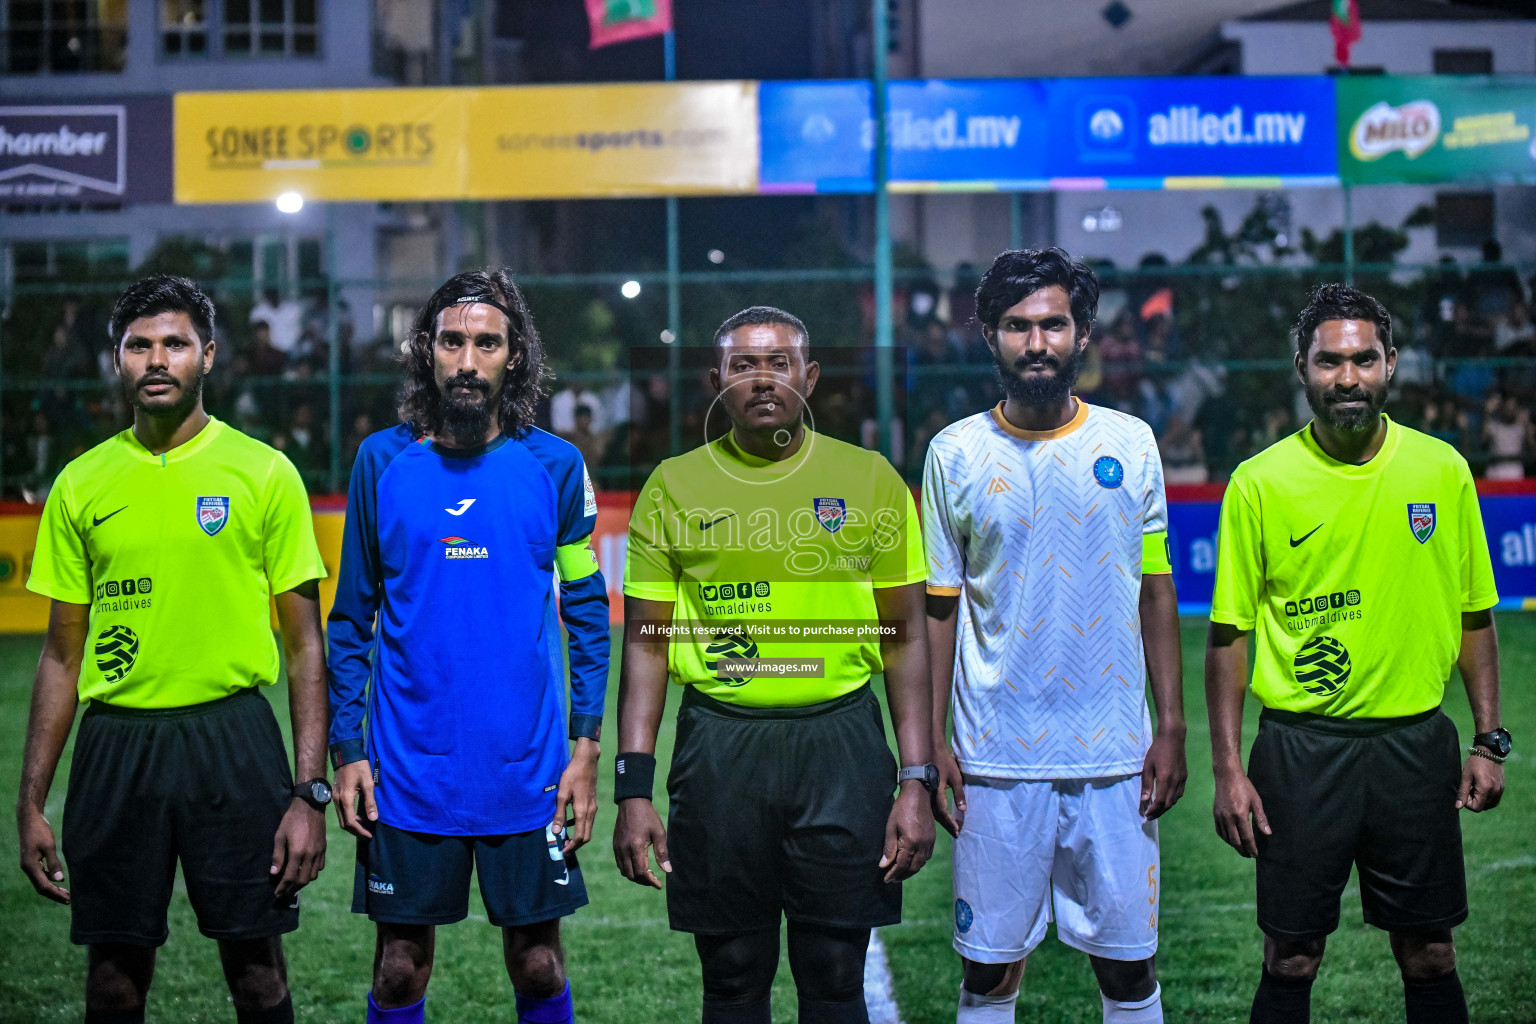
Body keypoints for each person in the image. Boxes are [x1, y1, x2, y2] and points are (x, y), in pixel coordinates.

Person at [18, 275, 329, 1024]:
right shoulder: (80, 484)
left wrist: (308, 792)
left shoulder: (263, 473)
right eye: (139, 345)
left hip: (233, 738)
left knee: (257, 973)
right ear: (117, 361)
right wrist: (30, 802)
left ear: (208, 355)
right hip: (117, 745)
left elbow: (304, 648)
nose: (157, 360)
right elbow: (62, 655)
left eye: (175, 344)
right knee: (114, 981)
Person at [613, 306, 935, 1024]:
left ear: (810, 378)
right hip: (720, 746)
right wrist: (632, 789)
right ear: (716, 382)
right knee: (732, 972)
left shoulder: (872, 480)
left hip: (841, 743)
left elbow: (906, 640)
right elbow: (645, 644)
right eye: (743, 365)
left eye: (780, 362)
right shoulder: (672, 486)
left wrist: (918, 778)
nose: (762, 379)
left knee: (833, 970)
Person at [1207, 283, 1506, 1024]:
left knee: (1430, 952)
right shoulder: (1259, 483)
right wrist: (1228, 769)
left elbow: (1476, 615)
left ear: (1391, 363)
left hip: (1415, 745)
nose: (1347, 378)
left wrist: (1490, 739)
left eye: (1363, 360)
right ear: (1302, 368)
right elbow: (1228, 637)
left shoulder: (1442, 470)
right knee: (1292, 956)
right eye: (1329, 361)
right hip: (1301, 752)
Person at [327, 269, 609, 1024]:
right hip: (407, 772)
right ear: (427, 351)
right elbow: (351, 619)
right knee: (398, 971)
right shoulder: (380, 463)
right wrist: (346, 749)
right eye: (452, 341)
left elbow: (586, 611)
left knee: (540, 965)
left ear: (514, 357)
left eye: (488, 343)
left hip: (528, 772)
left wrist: (586, 748)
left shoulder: (555, 466)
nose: (468, 359)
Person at [923, 248, 1186, 1024]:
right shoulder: (954, 453)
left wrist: (1169, 725)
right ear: (990, 337)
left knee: (1129, 970)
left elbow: (1157, 588)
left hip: (1115, 753)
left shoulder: (1131, 442)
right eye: (1016, 327)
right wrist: (932, 742)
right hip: (994, 755)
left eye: (1051, 325)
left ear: (1082, 334)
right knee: (989, 975)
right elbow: (941, 607)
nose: (1036, 343)